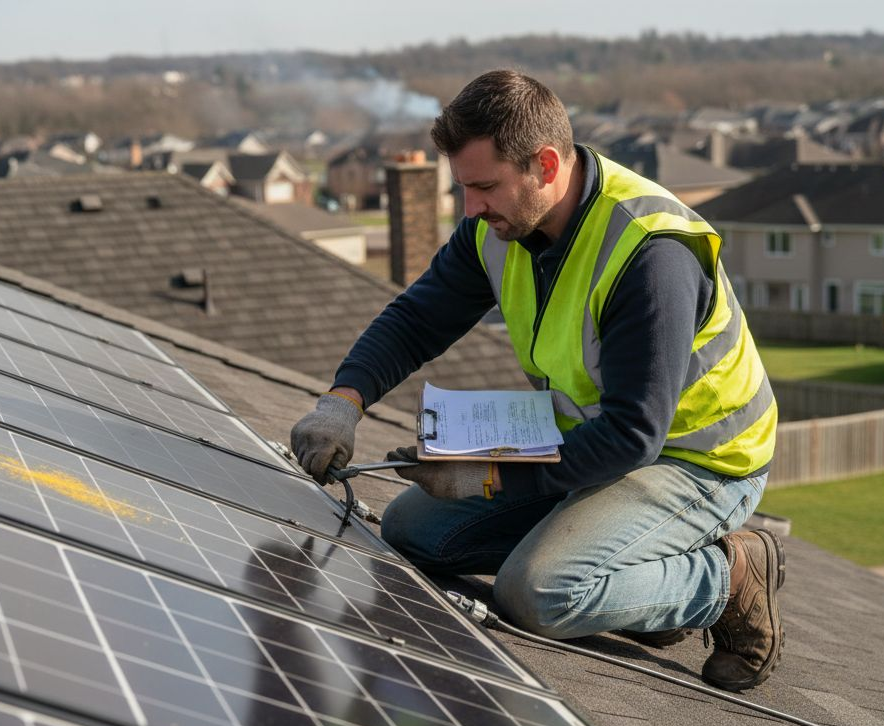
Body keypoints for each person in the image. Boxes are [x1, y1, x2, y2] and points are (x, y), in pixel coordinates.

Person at [291, 70, 782, 691]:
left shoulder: (649, 254)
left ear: (545, 164)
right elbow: (417, 319)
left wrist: (490, 475)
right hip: (586, 439)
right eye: (464, 188)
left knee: (538, 592)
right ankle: (632, 577)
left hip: (698, 459)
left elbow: (634, 435)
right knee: (412, 530)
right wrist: (342, 401)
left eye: (485, 187)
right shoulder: (497, 228)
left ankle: (729, 578)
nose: (471, 209)